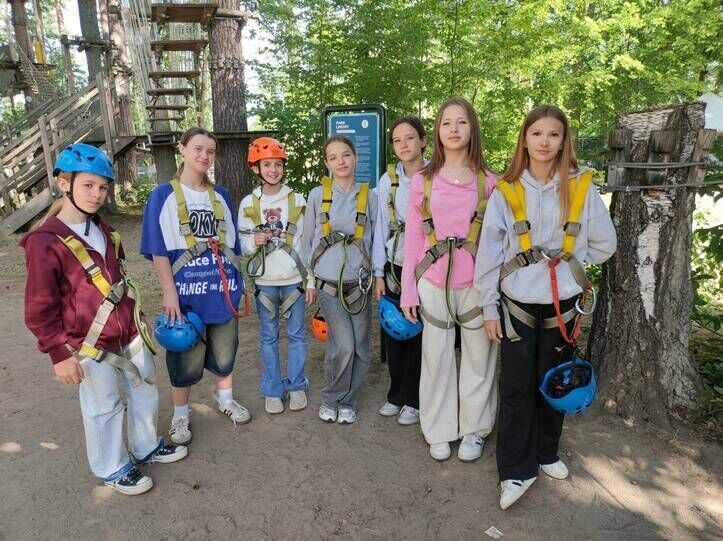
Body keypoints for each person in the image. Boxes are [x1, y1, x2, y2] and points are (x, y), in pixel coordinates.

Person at [21, 144, 187, 495]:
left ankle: (146, 445)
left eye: (102, 187)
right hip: (87, 342)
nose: (97, 194)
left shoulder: (106, 231)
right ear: (64, 184)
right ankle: (112, 466)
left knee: (144, 387)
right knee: (104, 405)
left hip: (128, 331)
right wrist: (58, 354)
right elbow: (39, 307)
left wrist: (136, 317)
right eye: (88, 185)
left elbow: (119, 279)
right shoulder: (45, 242)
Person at [475, 105, 616, 510]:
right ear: (524, 139)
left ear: (563, 140)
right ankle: (515, 469)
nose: (544, 142)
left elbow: (605, 244)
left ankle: (546, 451)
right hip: (517, 305)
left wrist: (570, 262)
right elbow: (489, 254)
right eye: (537, 133)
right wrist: (488, 307)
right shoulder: (507, 191)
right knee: (516, 387)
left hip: (562, 304)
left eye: (554, 134)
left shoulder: (580, 187)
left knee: (556, 380)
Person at [400, 97, 498, 462]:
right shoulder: (422, 181)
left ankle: (475, 429)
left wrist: (493, 294)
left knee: (479, 358)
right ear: (438, 132)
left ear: (473, 128)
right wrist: (408, 290)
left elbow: (497, 241)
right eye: (446, 123)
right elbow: (413, 237)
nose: (454, 129)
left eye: (461, 122)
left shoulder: (490, 182)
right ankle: (439, 429)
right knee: (436, 357)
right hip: (433, 280)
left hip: (475, 283)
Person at [140, 127, 250, 446]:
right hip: (185, 296)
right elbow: (158, 250)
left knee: (225, 353)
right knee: (183, 358)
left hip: (221, 291)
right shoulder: (163, 195)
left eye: (210, 151)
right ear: (183, 149)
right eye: (198, 149)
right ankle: (180, 415)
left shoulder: (221, 196)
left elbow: (232, 247)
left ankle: (226, 399)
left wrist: (238, 284)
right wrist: (169, 292)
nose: (204, 156)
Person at [302, 136, 382, 424]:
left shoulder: (369, 197)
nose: (341, 161)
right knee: (343, 344)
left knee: (359, 345)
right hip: (328, 282)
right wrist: (310, 281)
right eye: (333, 157)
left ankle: (348, 401)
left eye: (346, 155)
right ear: (326, 163)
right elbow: (307, 240)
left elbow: (377, 239)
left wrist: (378, 275)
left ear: (355, 157)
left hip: (359, 282)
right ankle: (331, 397)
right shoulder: (317, 195)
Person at [238, 137, 314, 414]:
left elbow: (307, 243)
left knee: (297, 335)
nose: (273, 170)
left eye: (278, 165)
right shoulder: (249, 203)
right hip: (265, 282)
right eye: (267, 165)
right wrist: (253, 242)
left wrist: (311, 280)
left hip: (293, 280)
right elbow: (242, 244)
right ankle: (272, 389)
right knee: (268, 337)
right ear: (256, 168)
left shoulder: (297, 200)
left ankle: (296, 385)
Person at [373, 116, 427, 426]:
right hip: (395, 263)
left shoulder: (435, 175)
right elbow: (381, 227)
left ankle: (415, 400)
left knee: (419, 331)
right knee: (394, 328)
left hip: (426, 265)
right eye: (397, 140)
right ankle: (396, 394)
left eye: (410, 138)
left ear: (423, 141)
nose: (404, 145)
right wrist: (378, 273)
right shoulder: (388, 180)